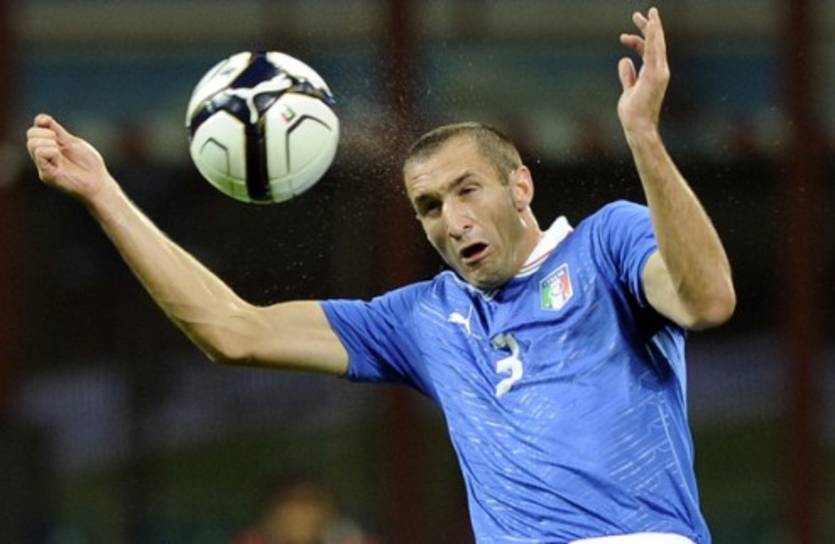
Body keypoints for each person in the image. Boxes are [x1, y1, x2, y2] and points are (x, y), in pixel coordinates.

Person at [26, 8, 733, 544]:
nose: (452, 220)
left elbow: (705, 300)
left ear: (519, 185)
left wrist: (644, 138)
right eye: (429, 206)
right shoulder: (423, 318)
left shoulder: (606, 243)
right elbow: (232, 331)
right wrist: (102, 193)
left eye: (467, 190)